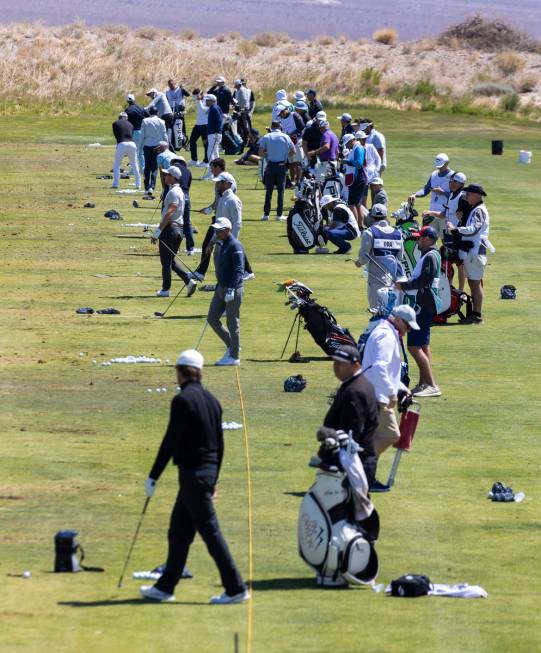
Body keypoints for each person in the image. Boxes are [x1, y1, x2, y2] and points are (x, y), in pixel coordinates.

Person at [140, 348, 250, 604]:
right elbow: (220, 446)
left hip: (193, 476)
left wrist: (153, 476)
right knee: (178, 532)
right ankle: (165, 587)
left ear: (180, 372)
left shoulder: (183, 400)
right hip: (204, 476)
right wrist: (214, 480)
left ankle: (235, 588)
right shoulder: (212, 400)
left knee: (211, 533)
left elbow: (170, 441)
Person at [361, 305, 417, 491]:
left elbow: (388, 371)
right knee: (390, 434)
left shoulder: (388, 332)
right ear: (399, 320)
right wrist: (392, 393)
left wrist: (402, 388)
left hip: (377, 393)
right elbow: (379, 368)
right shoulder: (386, 336)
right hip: (376, 395)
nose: (408, 330)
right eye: (408, 326)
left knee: (375, 436)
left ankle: (366, 478)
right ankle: (358, 470)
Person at [395, 225, 442, 397]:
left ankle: (431, 384)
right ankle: (424, 383)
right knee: (423, 345)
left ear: (428, 239)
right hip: (427, 304)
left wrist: (403, 285)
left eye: (419, 238)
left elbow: (424, 280)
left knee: (414, 347)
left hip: (423, 305)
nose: (417, 242)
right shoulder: (431, 255)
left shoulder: (430, 256)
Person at [323, 345, 379, 486]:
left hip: (353, 464)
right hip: (354, 462)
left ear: (356, 366)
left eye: (341, 363)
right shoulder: (358, 384)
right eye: (335, 362)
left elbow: (352, 432)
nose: (336, 366)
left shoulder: (355, 391)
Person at [446, 183, 491, 324]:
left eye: (468, 194)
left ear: (477, 195)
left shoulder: (479, 210)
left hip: (475, 252)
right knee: (473, 283)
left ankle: (477, 316)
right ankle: (475, 314)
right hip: (473, 252)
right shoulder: (475, 209)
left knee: (475, 284)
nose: (466, 197)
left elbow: (474, 229)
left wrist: (456, 229)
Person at [206, 218, 245, 366]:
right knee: (212, 318)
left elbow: (239, 269)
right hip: (221, 287)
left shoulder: (235, 245)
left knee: (232, 322)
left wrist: (231, 288)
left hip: (233, 289)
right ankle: (232, 345)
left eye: (219, 230)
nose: (216, 233)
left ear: (228, 230)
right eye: (215, 230)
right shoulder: (221, 243)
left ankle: (234, 357)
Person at [423, 171, 469, 290]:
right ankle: (448, 289)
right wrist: (431, 213)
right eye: (452, 181)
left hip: (458, 235)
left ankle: (460, 290)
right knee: (447, 262)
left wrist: (460, 221)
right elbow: (445, 214)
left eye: (456, 182)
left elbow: (467, 215)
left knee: (460, 264)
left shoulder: (462, 197)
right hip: (449, 235)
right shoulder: (452, 195)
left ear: (461, 184)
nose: (452, 183)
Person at [151, 166, 190, 297]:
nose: (164, 176)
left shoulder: (174, 192)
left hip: (170, 229)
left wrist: (158, 231)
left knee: (166, 262)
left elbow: (170, 212)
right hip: (178, 229)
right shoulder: (176, 191)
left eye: (167, 175)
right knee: (171, 261)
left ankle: (165, 289)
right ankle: (189, 281)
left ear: (173, 177)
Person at [356, 204, 404, 308]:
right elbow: (400, 257)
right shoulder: (397, 233)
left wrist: (359, 262)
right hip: (395, 280)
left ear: (372, 217)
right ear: (386, 216)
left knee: (377, 312)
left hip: (376, 279)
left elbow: (363, 258)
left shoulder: (370, 232)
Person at [409, 153, 454, 234]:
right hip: (432, 213)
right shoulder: (434, 174)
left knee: (446, 241)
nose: (439, 168)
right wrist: (415, 194)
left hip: (445, 214)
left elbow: (456, 195)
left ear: (447, 163)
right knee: (429, 239)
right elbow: (426, 190)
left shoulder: (453, 176)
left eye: (441, 166)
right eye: (438, 166)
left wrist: (443, 192)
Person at [258, 121, 295, 221]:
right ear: (280, 127)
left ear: (271, 127)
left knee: (268, 191)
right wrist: (285, 156)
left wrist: (268, 155)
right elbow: (293, 151)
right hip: (281, 166)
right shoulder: (285, 137)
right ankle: (279, 215)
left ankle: (266, 214)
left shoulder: (266, 137)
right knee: (280, 191)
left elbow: (260, 153)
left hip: (270, 165)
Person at [170, 156, 195, 255]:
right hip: (186, 197)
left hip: (176, 195)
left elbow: (169, 184)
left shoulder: (172, 170)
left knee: (173, 222)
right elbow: (188, 186)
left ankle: (174, 247)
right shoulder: (188, 171)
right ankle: (190, 248)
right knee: (187, 223)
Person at [140, 107, 167, 195]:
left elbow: (142, 136)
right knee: (154, 168)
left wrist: (140, 147)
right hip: (158, 146)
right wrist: (166, 146)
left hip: (147, 146)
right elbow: (164, 135)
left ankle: (146, 187)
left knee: (147, 167)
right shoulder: (161, 121)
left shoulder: (145, 121)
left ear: (149, 112)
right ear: (157, 113)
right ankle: (152, 186)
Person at [341, 132, 366, 228]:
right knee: (357, 204)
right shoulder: (356, 147)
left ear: (352, 141)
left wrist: (346, 161)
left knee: (352, 204)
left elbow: (359, 164)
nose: (347, 146)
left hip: (356, 178)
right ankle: (359, 226)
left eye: (347, 144)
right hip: (356, 178)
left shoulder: (358, 148)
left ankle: (355, 226)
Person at [111, 112, 141, 190]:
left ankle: (115, 184)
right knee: (134, 164)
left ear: (119, 117)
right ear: (126, 118)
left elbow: (117, 136)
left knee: (117, 164)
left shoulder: (115, 123)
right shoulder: (131, 124)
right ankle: (138, 184)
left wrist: (119, 146)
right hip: (132, 144)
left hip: (122, 143)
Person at [278, 104, 305, 186]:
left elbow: (302, 126)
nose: (280, 116)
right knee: (291, 163)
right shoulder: (281, 118)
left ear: (284, 111)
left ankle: (299, 181)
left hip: (297, 141)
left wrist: (291, 134)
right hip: (288, 142)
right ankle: (293, 180)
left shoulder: (294, 115)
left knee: (298, 162)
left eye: (281, 114)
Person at [355, 131, 381, 208]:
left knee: (376, 193)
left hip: (372, 173)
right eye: (363, 139)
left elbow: (378, 159)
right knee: (363, 197)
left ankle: (375, 208)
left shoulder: (370, 146)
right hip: (362, 174)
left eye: (365, 138)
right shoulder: (356, 149)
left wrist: (377, 170)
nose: (365, 140)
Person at [202, 94, 223, 179]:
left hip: (214, 134)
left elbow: (219, 121)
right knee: (215, 153)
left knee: (210, 154)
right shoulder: (213, 108)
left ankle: (211, 173)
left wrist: (217, 132)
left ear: (212, 101)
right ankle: (219, 173)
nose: (206, 101)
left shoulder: (214, 108)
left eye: (207, 100)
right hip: (213, 133)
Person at [125, 93, 146, 174]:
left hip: (135, 132)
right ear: (134, 100)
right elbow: (147, 116)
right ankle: (143, 168)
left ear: (127, 101)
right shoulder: (141, 107)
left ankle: (134, 170)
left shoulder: (128, 110)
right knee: (141, 152)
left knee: (135, 152)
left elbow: (126, 122)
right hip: (143, 131)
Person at [166, 78, 189, 148]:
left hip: (180, 109)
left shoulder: (180, 89)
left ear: (174, 83)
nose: (171, 86)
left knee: (180, 128)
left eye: (172, 84)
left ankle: (184, 143)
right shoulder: (167, 92)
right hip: (171, 110)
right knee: (172, 128)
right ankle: (173, 143)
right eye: (170, 85)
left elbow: (188, 95)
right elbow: (167, 101)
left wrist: (183, 89)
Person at [188, 89, 209, 167]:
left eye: (196, 96)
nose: (195, 98)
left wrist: (199, 100)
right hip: (198, 125)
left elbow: (203, 110)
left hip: (205, 126)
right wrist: (199, 99)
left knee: (205, 144)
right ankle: (194, 160)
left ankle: (206, 161)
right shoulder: (199, 100)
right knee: (192, 141)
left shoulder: (208, 100)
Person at [233, 79, 255, 146]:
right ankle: (246, 141)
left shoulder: (242, 90)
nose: (235, 87)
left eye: (236, 86)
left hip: (242, 111)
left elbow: (245, 101)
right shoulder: (238, 90)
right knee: (242, 127)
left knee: (244, 127)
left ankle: (251, 141)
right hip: (242, 111)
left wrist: (241, 110)